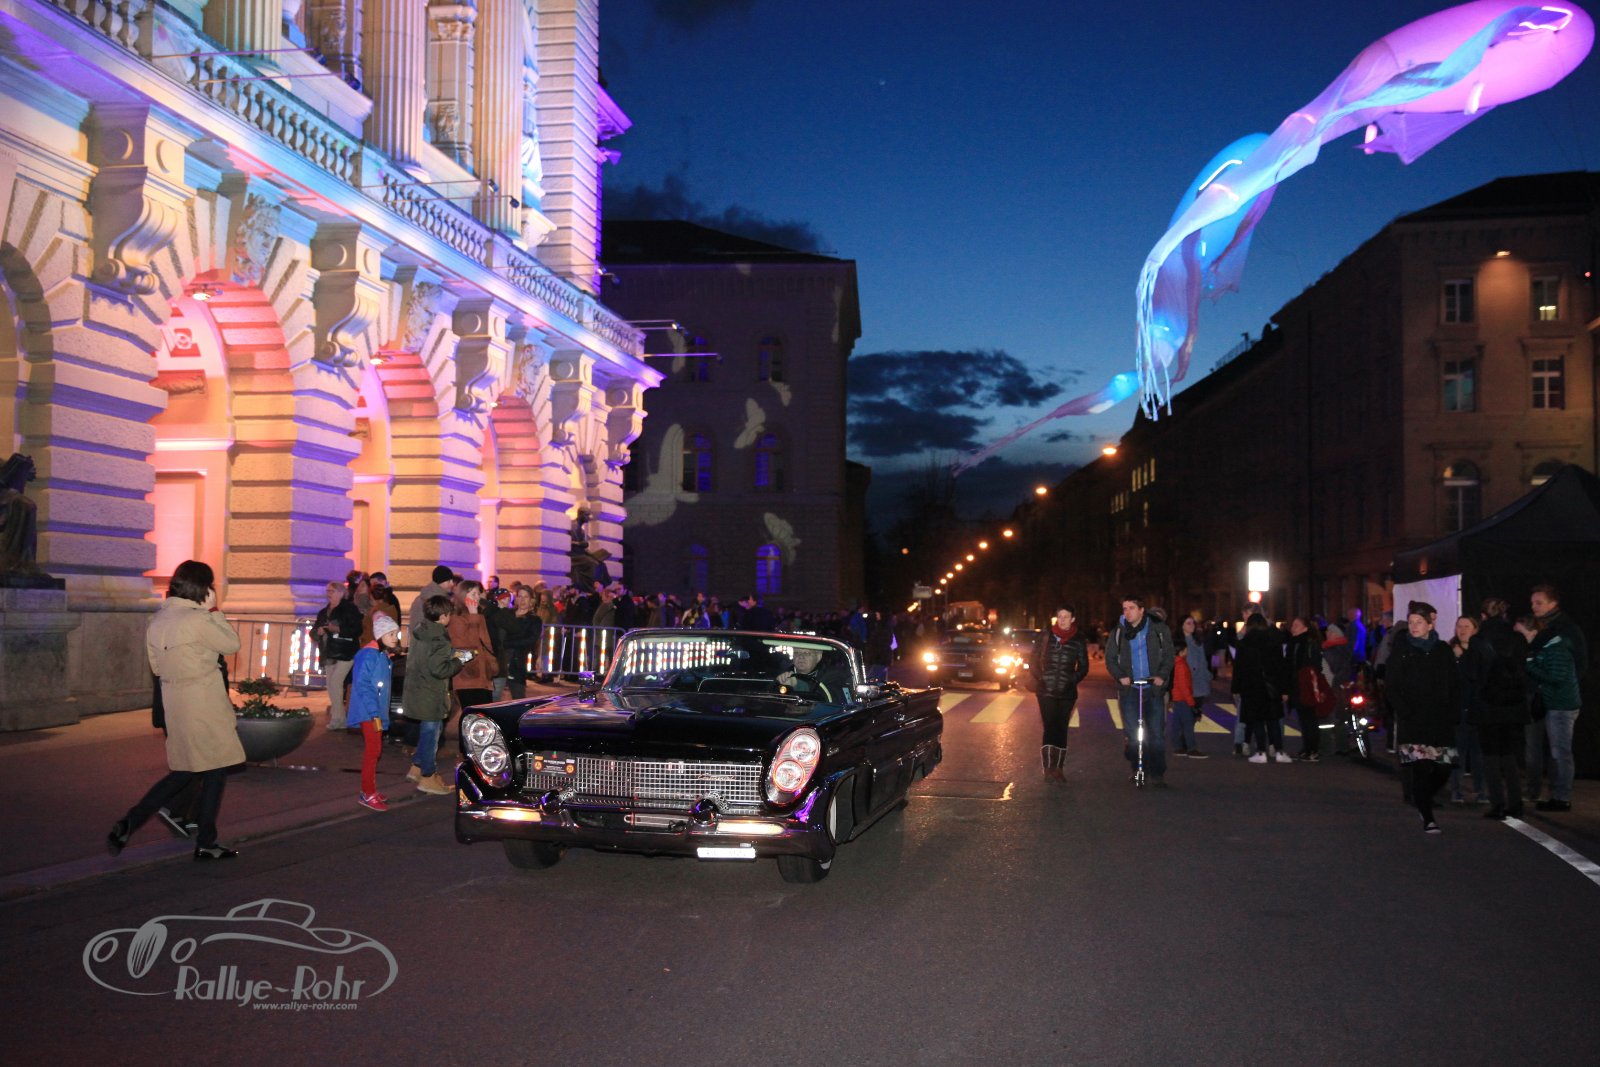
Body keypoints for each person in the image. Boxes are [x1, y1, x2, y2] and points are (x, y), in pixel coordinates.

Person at [108, 560, 245, 861]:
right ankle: (207, 842)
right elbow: (231, 644)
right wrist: (214, 611)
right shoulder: (198, 619)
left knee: (186, 770)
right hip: (204, 702)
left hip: (175, 702)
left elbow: (156, 668)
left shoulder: (158, 620)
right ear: (203, 588)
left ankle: (132, 820)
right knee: (215, 769)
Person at [1386, 601, 1460, 834]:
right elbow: (1392, 685)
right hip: (1413, 719)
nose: (1414, 626)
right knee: (1421, 767)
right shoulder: (1402, 650)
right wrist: (1404, 710)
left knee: (1443, 768)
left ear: (1430, 624)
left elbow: (1454, 683)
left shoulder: (1442, 650)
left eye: (1419, 622)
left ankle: (1423, 798)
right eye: (1411, 622)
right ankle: (1428, 817)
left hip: (1440, 719)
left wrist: (1453, 709)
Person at [1524, 584, 1587, 813]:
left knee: (1559, 750)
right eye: (1532, 602)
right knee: (1550, 749)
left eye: (1539, 602)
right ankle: (1554, 793)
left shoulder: (1563, 633)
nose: (1534, 607)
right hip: (1549, 697)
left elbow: (1567, 669)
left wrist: (1532, 666)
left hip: (1558, 700)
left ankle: (1560, 796)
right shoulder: (1550, 629)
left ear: (1553, 604)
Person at [1105, 596, 1175, 786]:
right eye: (1125, 608)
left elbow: (1169, 655)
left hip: (1153, 688)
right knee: (1133, 734)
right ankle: (1137, 769)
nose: (1127, 612)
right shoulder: (1119, 631)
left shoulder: (1157, 629)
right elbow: (1110, 658)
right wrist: (1121, 676)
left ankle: (1157, 773)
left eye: (1132, 608)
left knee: (1156, 734)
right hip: (1130, 689)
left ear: (1142, 610)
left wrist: (1161, 676)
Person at [405, 595, 466, 795]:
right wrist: (459, 661)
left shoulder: (420, 629)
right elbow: (440, 669)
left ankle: (417, 767)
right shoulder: (439, 638)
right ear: (443, 617)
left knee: (428, 731)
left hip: (417, 687)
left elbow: (428, 659)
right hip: (431, 692)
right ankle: (428, 777)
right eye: (449, 614)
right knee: (432, 734)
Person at [1474, 617, 1530, 820]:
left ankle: (1497, 803)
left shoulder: (1480, 641)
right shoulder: (1518, 640)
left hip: (1488, 707)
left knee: (1490, 757)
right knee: (1509, 755)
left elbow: (1474, 674)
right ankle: (1516, 803)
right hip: (1514, 707)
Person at [348, 613, 402, 811]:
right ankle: (367, 793)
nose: (395, 637)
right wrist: (374, 712)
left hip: (373, 711)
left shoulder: (381, 655)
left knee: (375, 751)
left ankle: (370, 790)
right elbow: (363, 685)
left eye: (396, 634)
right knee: (373, 752)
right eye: (391, 634)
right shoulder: (370, 655)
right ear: (380, 635)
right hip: (369, 712)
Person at [1032, 607, 1089, 779]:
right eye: (1059, 617)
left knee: (1062, 728)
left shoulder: (1078, 639)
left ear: (1073, 619)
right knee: (1050, 726)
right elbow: (1033, 660)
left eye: (1066, 617)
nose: (1062, 620)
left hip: (1067, 692)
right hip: (1046, 691)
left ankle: (1058, 768)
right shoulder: (1045, 636)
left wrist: (1072, 679)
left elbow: (1084, 666)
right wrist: (1042, 678)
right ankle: (1048, 768)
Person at [1233, 613, 1292, 764]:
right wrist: (1284, 689)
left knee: (1257, 720)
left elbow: (1239, 668)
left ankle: (1261, 752)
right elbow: (1281, 667)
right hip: (1271, 687)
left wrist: (1236, 688)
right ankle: (1279, 751)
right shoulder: (1273, 642)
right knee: (1273, 720)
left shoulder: (1244, 643)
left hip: (1251, 686)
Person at [1448, 616, 1489, 805]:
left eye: (1466, 626)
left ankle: (1481, 790)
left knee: (1478, 753)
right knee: (1458, 751)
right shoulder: (1450, 650)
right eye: (1459, 626)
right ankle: (1456, 790)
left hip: (1478, 707)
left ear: (1475, 629)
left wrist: (1462, 659)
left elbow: (1479, 676)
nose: (1462, 630)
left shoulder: (1481, 650)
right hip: (1458, 708)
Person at [314, 579, 362, 730]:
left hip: (346, 651)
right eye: (327, 591)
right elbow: (314, 630)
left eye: (332, 591)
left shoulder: (349, 609)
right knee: (331, 685)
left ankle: (338, 718)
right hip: (329, 651)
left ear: (341, 593)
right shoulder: (324, 612)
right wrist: (318, 632)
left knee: (335, 682)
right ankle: (339, 719)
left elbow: (357, 630)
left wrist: (338, 629)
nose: (328, 594)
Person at [448, 579, 498, 710]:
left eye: (478, 594)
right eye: (473, 594)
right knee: (472, 715)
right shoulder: (456, 618)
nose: (477, 597)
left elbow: (486, 642)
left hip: (483, 675)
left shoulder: (479, 615)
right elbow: (467, 645)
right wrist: (473, 616)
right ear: (463, 595)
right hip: (467, 676)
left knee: (486, 714)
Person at [1289, 617, 1328, 761]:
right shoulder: (1294, 643)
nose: (1293, 627)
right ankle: (1307, 747)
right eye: (1293, 625)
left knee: (1309, 717)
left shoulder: (1309, 643)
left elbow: (1315, 665)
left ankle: (1313, 749)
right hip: (1298, 683)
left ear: (1305, 628)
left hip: (1307, 684)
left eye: (1296, 625)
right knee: (1303, 717)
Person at [777, 645, 853, 702]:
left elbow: (831, 699)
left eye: (807, 653)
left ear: (818, 657)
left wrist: (798, 684)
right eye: (796, 652)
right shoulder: (782, 673)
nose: (801, 656)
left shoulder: (833, 675)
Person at [409, 564, 458, 636]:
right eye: (448, 581)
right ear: (440, 581)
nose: (452, 584)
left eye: (452, 580)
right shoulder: (440, 601)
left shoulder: (420, 598)